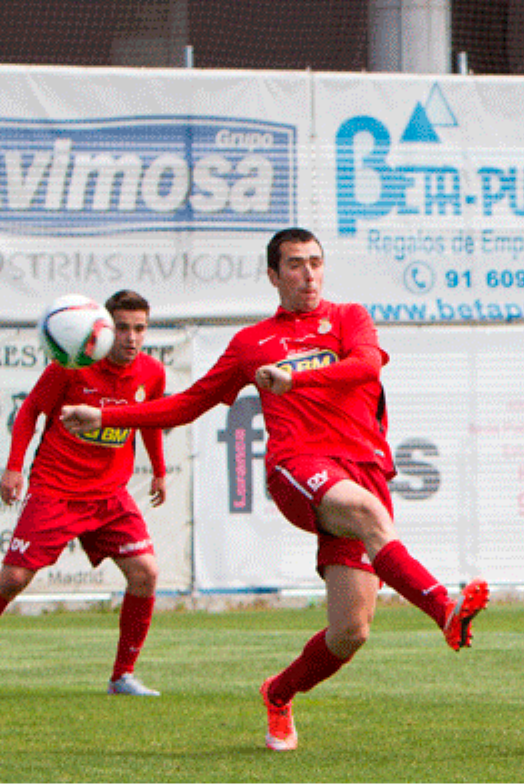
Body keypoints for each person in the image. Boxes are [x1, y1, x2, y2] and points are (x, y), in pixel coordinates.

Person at [61, 228, 488, 752]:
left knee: (350, 631)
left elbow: (367, 365)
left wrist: (294, 379)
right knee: (366, 512)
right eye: (294, 265)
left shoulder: (349, 316)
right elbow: (188, 403)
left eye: (315, 263)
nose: (308, 274)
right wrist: (104, 414)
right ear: (273, 275)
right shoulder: (252, 342)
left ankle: (279, 694)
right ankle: (444, 608)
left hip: (364, 466)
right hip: (299, 466)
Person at [1, 289, 167, 696]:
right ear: (106, 330)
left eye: (140, 329)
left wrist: (159, 472)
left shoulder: (150, 372)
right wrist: (13, 467)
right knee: (14, 578)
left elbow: (150, 420)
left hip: (110, 496)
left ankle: (122, 676)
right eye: (123, 328)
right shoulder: (73, 366)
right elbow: (30, 412)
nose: (131, 337)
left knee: (145, 573)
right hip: (56, 489)